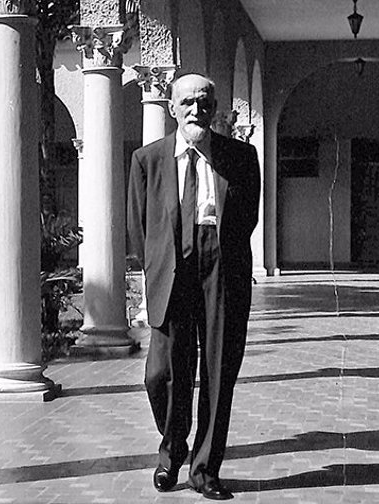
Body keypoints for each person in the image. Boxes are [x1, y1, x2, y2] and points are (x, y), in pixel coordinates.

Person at [127, 73, 260, 500]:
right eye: (186, 102)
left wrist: (220, 250)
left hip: (222, 265)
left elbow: (247, 218)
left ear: (215, 106)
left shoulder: (241, 157)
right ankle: (172, 451)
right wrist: (159, 264)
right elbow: (139, 226)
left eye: (203, 102)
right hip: (172, 267)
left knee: (219, 373)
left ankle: (204, 470)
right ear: (171, 108)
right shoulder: (147, 160)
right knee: (161, 373)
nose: (195, 110)